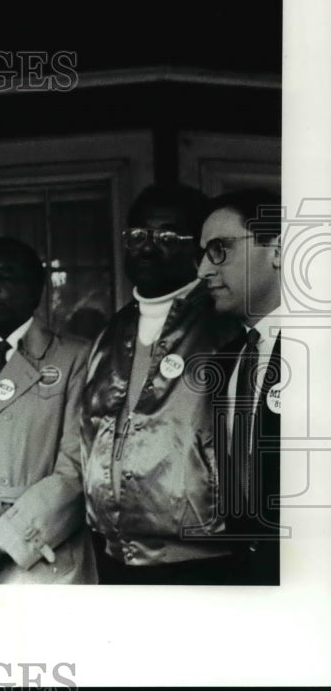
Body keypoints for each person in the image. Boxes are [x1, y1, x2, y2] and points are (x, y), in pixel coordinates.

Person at [81, 184, 241, 583]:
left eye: (168, 236)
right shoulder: (111, 333)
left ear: (199, 249)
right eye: (138, 235)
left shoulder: (226, 325)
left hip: (204, 556)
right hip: (115, 554)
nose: (148, 247)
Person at [0, 238, 95, 584]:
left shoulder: (75, 359)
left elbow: (77, 471)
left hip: (38, 553)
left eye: (5, 276)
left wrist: (3, 539)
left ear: (36, 289)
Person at [197, 188, 282, 585]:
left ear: (278, 249)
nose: (202, 270)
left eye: (220, 249)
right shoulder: (226, 361)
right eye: (203, 253)